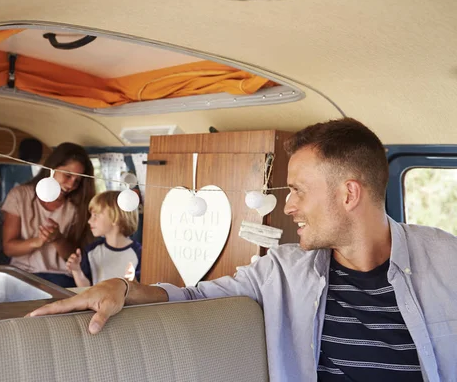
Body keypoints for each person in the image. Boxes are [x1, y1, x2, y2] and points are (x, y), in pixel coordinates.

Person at [28, 118, 457, 381]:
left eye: (298, 191)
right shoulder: (283, 270)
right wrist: (123, 290)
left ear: (349, 194)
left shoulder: (447, 261)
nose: (287, 205)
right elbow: (192, 295)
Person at [2, 142, 95, 287]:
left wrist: (57, 239)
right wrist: (38, 241)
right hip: (23, 274)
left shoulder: (76, 207)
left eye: (77, 181)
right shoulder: (20, 196)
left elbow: (74, 257)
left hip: (60, 277)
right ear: (51, 169)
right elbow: (9, 248)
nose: (71, 185)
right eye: (68, 175)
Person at [66, 190, 141, 287]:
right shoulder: (91, 251)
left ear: (116, 218)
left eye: (95, 215)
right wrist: (76, 270)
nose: (89, 221)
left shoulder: (139, 253)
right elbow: (86, 289)